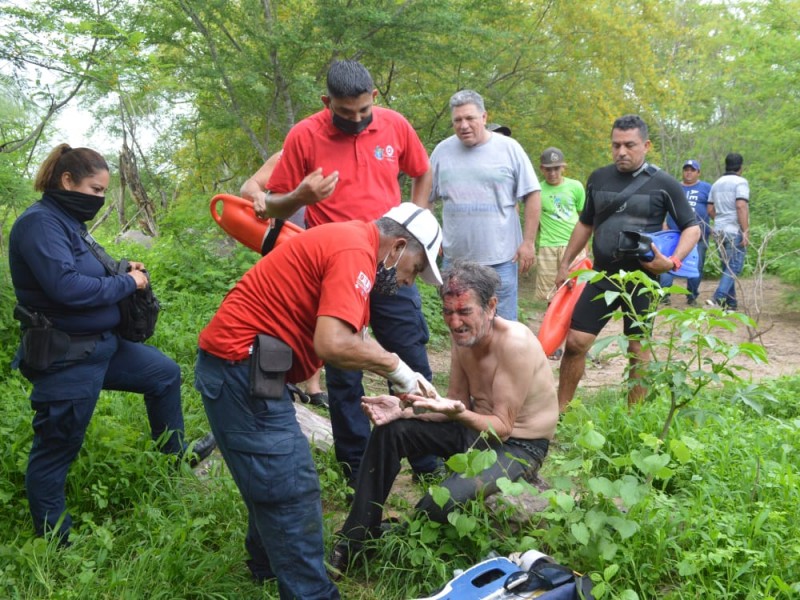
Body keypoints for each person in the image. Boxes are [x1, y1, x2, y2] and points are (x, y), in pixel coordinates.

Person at [195, 203, 442, 598]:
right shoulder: (354, 252)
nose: (410, 282)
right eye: (413, 269)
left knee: (276, 476)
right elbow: (331, 343)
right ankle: (311, 592)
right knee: (293, 487)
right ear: (397, 246)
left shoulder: (352, 244)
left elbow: (354, 338)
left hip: (247, 368)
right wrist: (395, 365)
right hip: (240, 369)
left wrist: (403, 378)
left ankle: (267, 569)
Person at [241, 59, 439, 484]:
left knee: (410, 352)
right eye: (345, 113)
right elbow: (272, 206)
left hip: (392, 258)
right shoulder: (305, 135)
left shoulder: (394, 125)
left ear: (375, 99)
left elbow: (422, 172)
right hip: (336, 266)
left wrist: (418, 220)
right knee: (343, 363)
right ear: (326, 101)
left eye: (363, 111)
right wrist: (300, 194)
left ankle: (426, 456)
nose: (356, 119)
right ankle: (355, 463)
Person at [8, 144, 215, 546]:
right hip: (67, 355)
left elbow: (83, 268)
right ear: (67, 181)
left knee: (164, 374)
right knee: (56, 448)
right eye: (95, 189)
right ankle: (55, 541)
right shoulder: (39, 224)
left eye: (105, 192)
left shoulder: (68, 222)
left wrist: (122, 267)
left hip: (103, 346)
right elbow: (65, 287)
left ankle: (174, 458)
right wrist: (129, 283)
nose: (100, 198)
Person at [329, 261, 558, 577]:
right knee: (390, 431)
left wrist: (460, 413)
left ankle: (395, 537)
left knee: (436, 504)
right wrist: (405, 408)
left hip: (519, 445)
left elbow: (502, 428)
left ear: (490, 306)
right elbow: (454, 403)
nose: (455, 322)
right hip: (473, 426)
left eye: (464, 311)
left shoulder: (514, 343)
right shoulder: (463, 336)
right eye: (448, 312)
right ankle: (354, 539)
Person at [555, 115, 700, 411]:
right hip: (602, 275)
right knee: (576, 342)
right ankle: (560, 410)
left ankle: (634, 416)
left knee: (638, 348)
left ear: (645, 145)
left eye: (629, 145)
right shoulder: (598, 177)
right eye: (616, 145)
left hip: (642, 279)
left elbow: (692, 227)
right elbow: (585, 223)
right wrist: (565, 262)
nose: (621, 151)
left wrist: (671, 263)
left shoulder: (664, 183)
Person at [426, 90, 541, 321]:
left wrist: (528, 242)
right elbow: (426, 198)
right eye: (457, 120)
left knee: (503, 326)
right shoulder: (442, 151)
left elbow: (533, 194)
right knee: (460, 324)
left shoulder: (509, 148)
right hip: (456, 261)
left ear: (484, 117)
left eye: (470, 118)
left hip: (501, 260)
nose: (464, 125)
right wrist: (431, 236)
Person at [242, 149, 327, 408]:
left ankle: (314, 386)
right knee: (281, 317)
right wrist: (258, 197)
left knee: (319, 315)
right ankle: (277, 378)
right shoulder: (289, 154)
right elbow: (249, 186)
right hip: (286, 246)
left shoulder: (354, 155)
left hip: (326, 248)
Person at [535, 147, 586, 302]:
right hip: (547, 246)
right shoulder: (537, 190)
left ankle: (573, 325)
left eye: (556, 169)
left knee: (575, 290)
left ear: (563, 167)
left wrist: (585, 245)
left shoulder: (575, 186)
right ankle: (552, 324)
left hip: (573, 245)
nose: (552, 173)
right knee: (550, 294)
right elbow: (535, 220)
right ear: (542, 169)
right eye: (548, 169)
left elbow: (584, 219)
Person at [659, 159, 712, 306]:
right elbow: (662, 206)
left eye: (692, 170)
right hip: (673, 233)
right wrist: (663, 223)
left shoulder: (706, 188)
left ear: (698, 172)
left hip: (697, 235)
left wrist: (713, 226)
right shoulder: (673, 186)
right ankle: (663, 294)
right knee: (667, 262)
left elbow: (712, 209)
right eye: (686, 169)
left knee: (696, 266)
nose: (688, 172)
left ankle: (692, 296)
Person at [707, 153, 750, 310]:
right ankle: (718, 298)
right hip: (733, 230)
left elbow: (710, 208)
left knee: (727, 266)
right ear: (741, 167)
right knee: (734, 267)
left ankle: (731, 304)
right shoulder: (740, 182)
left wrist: (720, 220)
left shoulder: (716, 183)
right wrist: (745, 231)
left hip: (718, 230)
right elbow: (741, 206)